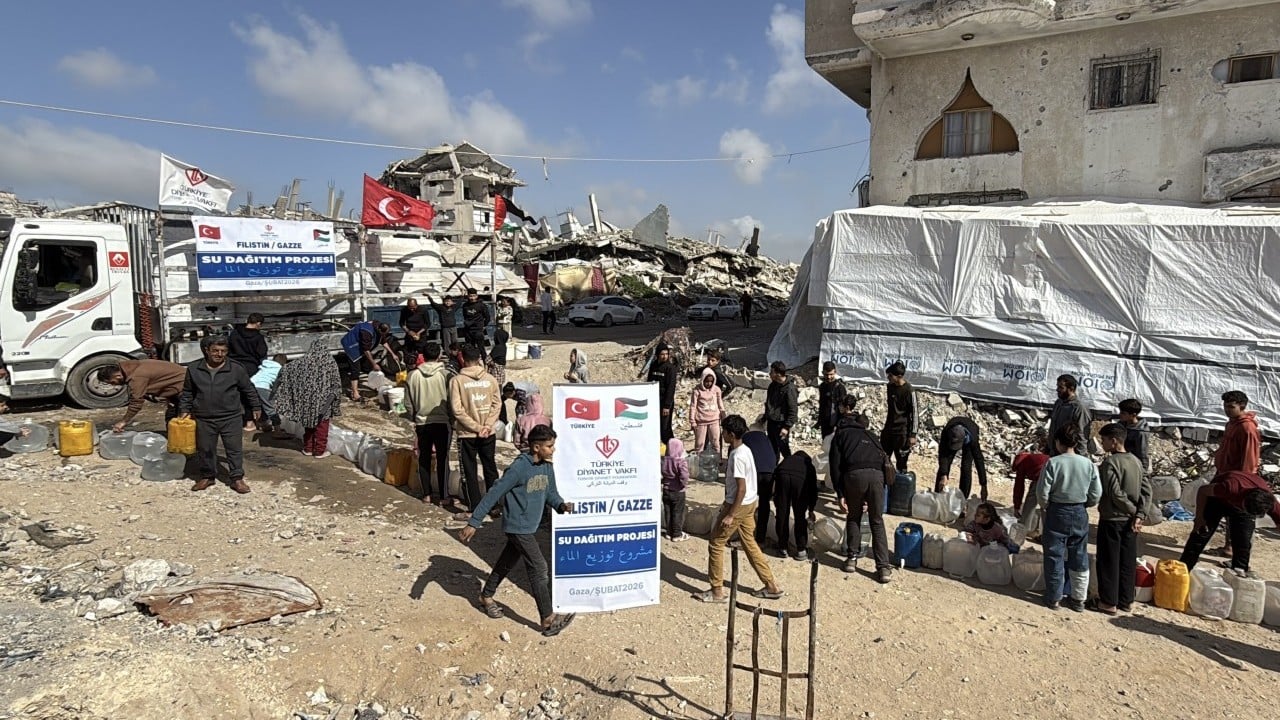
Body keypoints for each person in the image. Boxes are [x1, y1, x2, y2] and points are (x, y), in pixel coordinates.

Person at [458, 424, 577, 637]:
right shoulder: (519, 468)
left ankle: (486, 596)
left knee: (506, 563)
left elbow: (550, 493)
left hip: (529, 527)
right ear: (536, 447)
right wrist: (475, 521)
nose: (553, 450)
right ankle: (547, 619)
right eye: (550, 446)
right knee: (539, 568)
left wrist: (561, 505)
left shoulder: (547, 467)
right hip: (517, 526)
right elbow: (495, 492)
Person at [693, 415, 783, 603]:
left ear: (731, 434)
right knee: (749, 543)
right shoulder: (745, 450)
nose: (722, 435)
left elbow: (740, 487)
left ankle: (717, 590)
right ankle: (771, 585)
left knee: (716, 543)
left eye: (724, 432)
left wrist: (731, 514)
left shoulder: (738, 456)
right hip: (750, 503)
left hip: (739, 505)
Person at [179, 336, 261, 494]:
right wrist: (185, 409)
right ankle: (207, 476)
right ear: (206, 351)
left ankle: (237, 479)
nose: (219, 354)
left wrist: (256, 407)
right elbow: (188, 392)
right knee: (205, 449)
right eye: (215, 350)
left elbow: (248, 389)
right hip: (204, 417)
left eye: (223, 351)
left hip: (231, 417)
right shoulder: (194, 368)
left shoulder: (236, 368)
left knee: (234, 449)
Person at [1036, 424, 1102, 611]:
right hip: (1079, 511)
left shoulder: (1053, 463)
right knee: (1079, 555)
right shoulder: (1088, 464)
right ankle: (1078, 599)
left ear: (1058, 442)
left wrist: (1046, 506)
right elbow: (1096, 493)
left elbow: (1042, 492)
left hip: (1057, 511)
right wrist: (1086, 504)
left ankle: (1054, 597)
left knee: (1054, 555)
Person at [829, 397, 894, 582]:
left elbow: (835, 467)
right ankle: (883, 569)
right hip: (877, 478)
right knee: (877, 521)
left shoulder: (840, 435)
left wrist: (840, 493)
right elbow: (883, 461)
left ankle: (851, 559)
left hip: (854, 477)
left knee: (854, 516)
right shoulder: (871, 436)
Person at [1091, 422, 1151, 615]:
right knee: (1127, 561)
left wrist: (1133, 511)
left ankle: (1108, 602)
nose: (1102, 443)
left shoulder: (1110, 463)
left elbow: (1114, 493)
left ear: (1114, 441)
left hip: (1113, 518)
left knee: (1109, 562)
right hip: (1131, 523)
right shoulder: (1135, 461)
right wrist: (1140, 514)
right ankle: (1127, 600)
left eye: (1104, 440)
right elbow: (1146, 491)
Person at [1179, 470, 1280, 576]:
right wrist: (1199, 518)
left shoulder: (1268, 501)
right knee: (1201, 533)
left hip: (1244, 505)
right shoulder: (1229, 487)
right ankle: (1182, 570)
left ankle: (1239, 576)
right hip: (1217, 500)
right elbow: (1203, 491)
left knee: (1243, 542)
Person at [450, 344, 501, 516]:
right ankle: (494, 505)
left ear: (462, 359)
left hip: (467, 434)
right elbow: (497, 404)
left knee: (469, 470)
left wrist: (477, 427)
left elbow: (457, 410)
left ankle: (475, 506)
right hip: (488, 432)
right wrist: (487, 425)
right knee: (490, 468)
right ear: (479, 358)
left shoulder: (457, 381)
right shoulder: (491, 379)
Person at [1212, 389, 1263, 558]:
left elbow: (1249, 458)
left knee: (1237, 514)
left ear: (1241, 406)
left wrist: (1243, 481)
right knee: (1226, 511)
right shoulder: (1231, 423)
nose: (1227, 409)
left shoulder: (1247, 428)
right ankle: (1228, 547)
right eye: (1225, 406)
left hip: (1237, 478)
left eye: (1231, 406)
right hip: (1224, 474)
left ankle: (1235, 552)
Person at [273, 338, 343, 458]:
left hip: (306, 400)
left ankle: (308, 448)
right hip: (324, 401)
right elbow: (336, 382)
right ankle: (320, 451)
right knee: (322, 426)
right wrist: (336, 399)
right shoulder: (329, 362)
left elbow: (288, 369)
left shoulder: (303, 361)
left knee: (308, 424)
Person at [404, 341, 453, 505]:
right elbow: (453, 401)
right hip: (442, 422)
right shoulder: (446, 375)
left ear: (423, 357)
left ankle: (427, 495)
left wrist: (414, 417)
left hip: (422, 423)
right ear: (439, 355)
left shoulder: (413, 375)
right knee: (443, 458)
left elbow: (408, 403)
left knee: (423, 457)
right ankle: (445, 496)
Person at [98, 359, 188, 431]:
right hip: (177, 387)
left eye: (113, 382)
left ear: (118, 376)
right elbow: (162, 378)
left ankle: (187, 445)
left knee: (183, 420)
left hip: (186, 389)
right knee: (172, 419)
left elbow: (136, 402)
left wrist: (123, 421)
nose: (114, 385)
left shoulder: (136, 377)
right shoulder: (133, 366)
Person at [772, 450, 818, 561]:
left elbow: (775, 477)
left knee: (782, 514)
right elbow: (813, 490)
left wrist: (777, 500)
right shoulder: (808, 465)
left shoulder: (787, 460)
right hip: (800, 480)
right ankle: (801, 550)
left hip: (782, 477)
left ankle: (782, 547)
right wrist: (811, 509)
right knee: (800, 516)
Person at [229, 313, 269, 431]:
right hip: (251, 367)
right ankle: (256, 421)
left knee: (240, 394)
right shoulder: (258, 337)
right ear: (258, 324)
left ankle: (246, 421)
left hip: (235, 366)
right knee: (253, 394)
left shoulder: (234, 334)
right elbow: (262, 353)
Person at [935, 415, 989, 500]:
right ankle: (937, 495)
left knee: (966, 467)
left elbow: (979, 460)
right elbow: (943, 455)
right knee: (944, 467)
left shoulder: (973, 439)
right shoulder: (946, 433)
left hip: (970, 433)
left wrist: (983, 485)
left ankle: (963, 498)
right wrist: (944, 475)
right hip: (951, 435)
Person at [881, 362, 918, 472]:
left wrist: (913, 434)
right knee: (883, 459)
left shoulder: (909, 391)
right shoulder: (890, 387)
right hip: (889, 429)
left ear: (899, 376)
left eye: (890, 376)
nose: (888, 378)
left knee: (901, 464)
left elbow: (915, 414)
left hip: (902, 432)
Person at [1047, 374, 1091, 456]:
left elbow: (1082, 434)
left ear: (1071, 389)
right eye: (1057, 386)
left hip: (1069, 454)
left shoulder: (1079, 408)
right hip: (1055, 452)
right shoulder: (1058, 403)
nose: (1057, 390)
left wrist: (1081, 456)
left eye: (1061, 388)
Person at [763, 361, 797, 465]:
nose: (769, 374)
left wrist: (786, 427)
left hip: (781, 424)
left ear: (778, 374)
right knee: (772, 448)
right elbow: (769, 403)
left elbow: (793, 409)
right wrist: (765, 417)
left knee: (784, 449)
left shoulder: (789, 388)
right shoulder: (773, 386)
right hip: (772, 422)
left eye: (772, 372)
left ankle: (790, 468)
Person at [1012, 428, 1050, 517]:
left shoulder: (1022, 463)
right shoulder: (1037, 457)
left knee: (1031, 500)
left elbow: (1019, 487)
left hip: (1042, 478)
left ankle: (1025, 525)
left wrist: (1016, 507)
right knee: (1048, 505)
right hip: (1054, 477)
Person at [340, 319, 379, 402]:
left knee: (367, 367)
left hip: (359, 346)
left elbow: (384, 342)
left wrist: (393, 354)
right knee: (355, 370)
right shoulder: (367, 332)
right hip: (351, 346)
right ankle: (355, 393)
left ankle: (373, 385)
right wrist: (374, 363)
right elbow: (366, 350)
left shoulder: (377, 328)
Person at [647, 343, 678, 443]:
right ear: (657, 355)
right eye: (662, 354)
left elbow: (671, 388)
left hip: (665, 402)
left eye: (666, 354)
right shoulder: (653, 366)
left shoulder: (670, 368)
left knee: (665, 427)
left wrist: (667, 406)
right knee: (656, 426)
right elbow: (649, 382)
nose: (665, 356)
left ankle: (672, 448)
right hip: (655, 401)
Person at [689, 368, 725, 455]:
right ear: (702, 380)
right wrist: (692, 421)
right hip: (701, 421)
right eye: (706, 381)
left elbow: (720, 403)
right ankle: (698, 461)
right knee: (699, 443)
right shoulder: (697, 391)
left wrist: (723, 415)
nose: (709, 384)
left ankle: (717, 460)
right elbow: (693, 406)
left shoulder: (716, 390)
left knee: (715, 442)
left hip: (714, 420)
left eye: (711, 381)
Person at [249, 353, 287, 433]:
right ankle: (278, 431)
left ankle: (262, 424)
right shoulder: (280, 369)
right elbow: (277, 385)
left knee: (259, 406)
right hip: (262, 386)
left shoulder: (266, 365)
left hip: (251, 384)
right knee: (271, 408)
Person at [662, 438, 690, 542]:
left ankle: (669, 532)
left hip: (666, 489)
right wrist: (684, 484)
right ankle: (677, 534)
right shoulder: (681, 462)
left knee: (668, 512)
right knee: (678, 512)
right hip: (678, 491)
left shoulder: (664, 460)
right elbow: (684, 475)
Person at [817, 361, 848, 440]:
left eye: (831, 374)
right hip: (825, 423)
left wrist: (840, 423)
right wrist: (819, 420)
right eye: (826, 374)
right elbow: (822, 404)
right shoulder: (822, 386)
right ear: (823, 372)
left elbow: (843, 407)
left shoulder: (840, 388)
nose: (829, 377)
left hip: (835, 424)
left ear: (835, 372)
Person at [1117, 398, 1149, 470]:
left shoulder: (1141, 432)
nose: (1120, 414)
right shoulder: (1121, 425)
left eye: (1123, 413)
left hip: (1132, 466)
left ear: (1133, 415)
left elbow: (1143, 454)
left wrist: (1143, 473)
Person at [461, 288, 490, 355]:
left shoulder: (481, 305)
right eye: (471, 296)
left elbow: (487, 317)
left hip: (478, 330)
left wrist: (483, 325)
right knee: (470, 348)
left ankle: (485, 364)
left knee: (481, 348)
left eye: (474, 296)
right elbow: (465, 316)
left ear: (477, 296)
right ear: (468, 296)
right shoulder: (465, 305)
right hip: (468, 330)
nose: (472, 298)